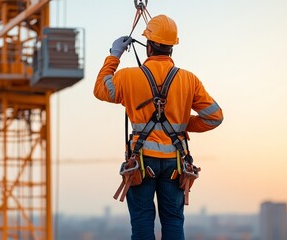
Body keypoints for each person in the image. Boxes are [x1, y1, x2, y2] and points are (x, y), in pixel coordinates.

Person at [94, 14, 224, 240]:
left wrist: (114, 55)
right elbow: (215, 117)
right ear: (172, 47)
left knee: (142, 220)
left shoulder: (127, 77)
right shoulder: (188, 80)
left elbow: (100, 89)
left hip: (141, 162)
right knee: (173, 220)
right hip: (176, 161)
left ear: (149, 47)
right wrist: (181, 124)